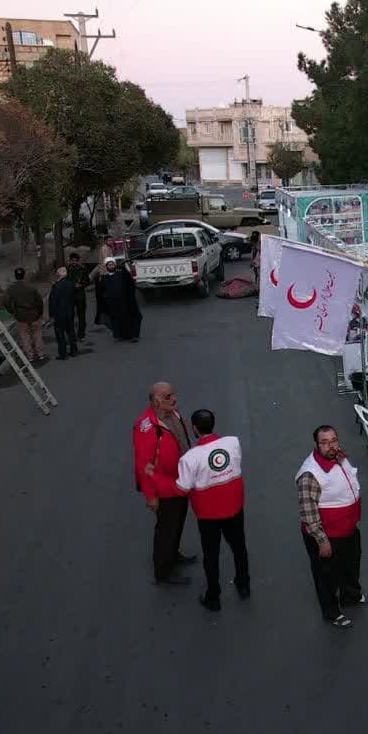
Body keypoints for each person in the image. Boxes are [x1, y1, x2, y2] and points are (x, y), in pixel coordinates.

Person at [296, 425, 368, 628]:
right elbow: (308, 512)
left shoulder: (338, 456)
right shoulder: (310, 473)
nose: (331, 446)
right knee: (326, 576)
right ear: (316, 445)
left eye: (334, 440)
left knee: (351, 565)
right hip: (328, 535)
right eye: (324, 442)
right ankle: (331, 612)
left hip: (348, 529)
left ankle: (351, 596)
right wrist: (322, 541)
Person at [177, 409, 250, 611]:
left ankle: (213, 596)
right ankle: (243, 584)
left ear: (194, 429)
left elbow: (182, 488)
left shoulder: (190, 458)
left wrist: (155, 477)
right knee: (239, 548)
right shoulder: (232, 442)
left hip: (208, 515)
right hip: (234, 508)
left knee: (211, 555)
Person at [133, 382, 197, 586]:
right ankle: (163, 571)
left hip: (180, 482)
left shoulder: (172, 413)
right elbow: (144, 466)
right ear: (157, 401)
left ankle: (173, 555)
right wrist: (151, 496)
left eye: (173, 394)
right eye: (169, 396)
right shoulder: (146, 428)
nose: (174, 398)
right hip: (165, 489)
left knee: (177, 522)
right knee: (166, 529)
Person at [2, 267, 46, 362]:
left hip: (21, 316)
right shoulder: (31, 287)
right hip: (34, 315)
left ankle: (30, 356)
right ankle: (40, 353)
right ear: (24, 275)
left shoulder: (11, 289)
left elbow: (6, 302)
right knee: (37, 334)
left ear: (15, 276)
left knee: (24, 336)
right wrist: (40, 313)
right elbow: (39, 301)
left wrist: (12, 311)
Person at [102, 258, 143, 342]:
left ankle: (133, 336)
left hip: (125, 301)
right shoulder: (105, 278)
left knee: (130, 318)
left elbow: (130, 283)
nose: (111, 266)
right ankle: (120, 335)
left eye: (112, 264)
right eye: (109, 265)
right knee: (117, 319)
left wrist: (123, 269)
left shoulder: (122, 274)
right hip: (113, 303)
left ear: (115, 265)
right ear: (106, 267)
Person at [46, 266, 79, 361]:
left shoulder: (56, 286)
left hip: (59, 313)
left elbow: (53, 302)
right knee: (71, 332)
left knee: (60, 334)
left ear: (58, 275)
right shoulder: (71, 284)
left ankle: (63, 353)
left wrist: (51, 315)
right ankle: (73, 350)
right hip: (70, 312)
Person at [67, 252, 91, 340]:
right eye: (72, 260)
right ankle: (71, 334)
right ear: (70, 261)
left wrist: (81, 285)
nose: (74, 262)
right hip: (69, 295)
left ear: (78, 261)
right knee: (69, 316)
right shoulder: (67, 269)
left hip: (80, 295)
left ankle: (81, 334)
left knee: (81, 316)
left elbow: (87, 281)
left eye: (75, 261)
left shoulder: (82, 269)